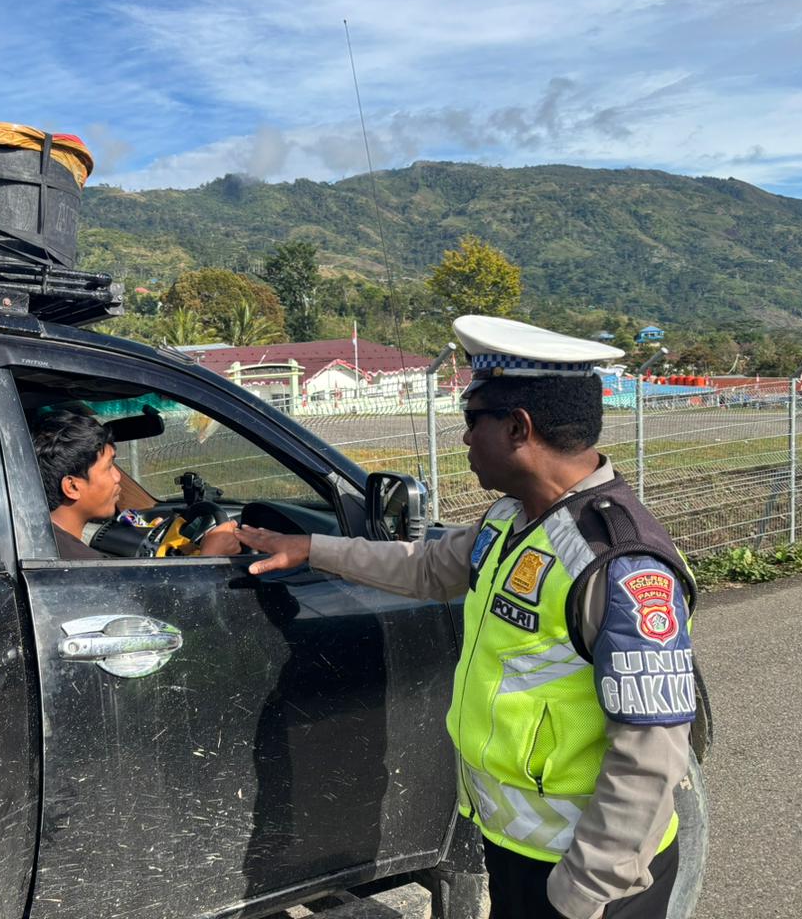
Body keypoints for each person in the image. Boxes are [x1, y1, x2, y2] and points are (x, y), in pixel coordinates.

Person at [235, 316, 699, 919]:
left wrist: (585, 889)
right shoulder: (512, 519)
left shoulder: (619, 565)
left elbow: (651, 748)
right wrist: (309, 548)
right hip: (517, 845)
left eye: (470, 421)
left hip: (585, 877)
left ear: (516, 427)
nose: (463, 440)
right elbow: (426, 567)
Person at [32, 409, 239, 559]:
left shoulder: (43, 542)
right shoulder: (77, 564)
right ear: (72, 487)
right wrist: (211, 557)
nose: (117, 477)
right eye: (108, 467)